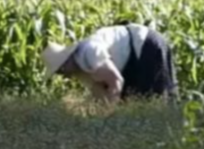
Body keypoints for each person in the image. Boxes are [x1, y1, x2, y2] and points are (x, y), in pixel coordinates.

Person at [42, 23, 177, 102]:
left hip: (146, 46)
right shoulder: (81, 70)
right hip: (133, 60)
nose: (64, 76)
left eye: (60, 71)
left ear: (65, 63)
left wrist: (110, 116)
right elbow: (102, 94)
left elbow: (116, 81)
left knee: (155, 103)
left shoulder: (88, 53)